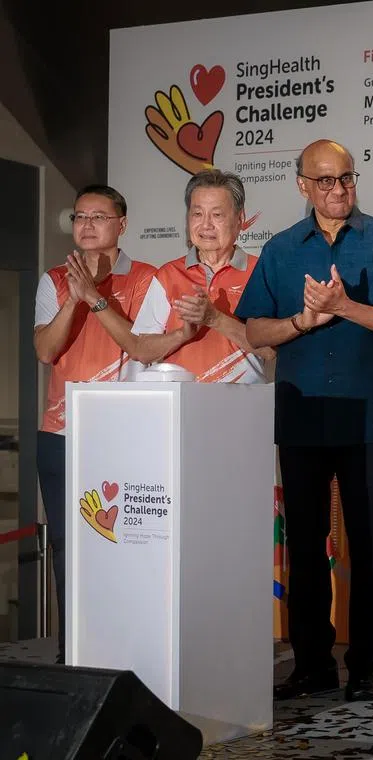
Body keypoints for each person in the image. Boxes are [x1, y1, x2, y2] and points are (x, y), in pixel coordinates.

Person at [235, 139, 373, 702]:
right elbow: (255, 331)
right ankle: (312, 663)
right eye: (325, 181)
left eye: (346, 178)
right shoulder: (281, 249)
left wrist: (344, 308)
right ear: (301, 185)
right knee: (306, 547)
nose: (338, 190)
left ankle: (366, 667)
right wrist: (304, 319)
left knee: (368, 546)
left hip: (366, 418)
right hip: (301, 418)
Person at [33, 185, 156, 663]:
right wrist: (76, 297)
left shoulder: (148, 279)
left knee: (126, 546)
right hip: (62, 434)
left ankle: (128, 649)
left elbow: (144, 347)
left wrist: (99, 297)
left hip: (126, 436)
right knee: (69, 550)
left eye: (98, 217)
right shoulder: (53, 280)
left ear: (121, 224)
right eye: (80, 216)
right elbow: (46, 351)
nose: (86, 225)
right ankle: (74, 652)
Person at [129, 169, 271, 379]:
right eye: (197, 214)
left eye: (217, 215)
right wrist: (181, 335)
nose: (206, 225)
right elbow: (141, 351)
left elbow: (270, 351)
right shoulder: (169, 274)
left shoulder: (261, 271)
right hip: (182, 405)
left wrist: (215, 319)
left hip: (244, 403)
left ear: (240, 219)